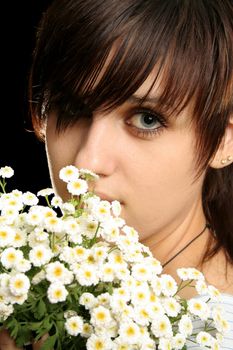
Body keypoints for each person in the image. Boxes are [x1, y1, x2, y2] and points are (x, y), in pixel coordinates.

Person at [1, 0, 233, 349]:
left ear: (223, 140)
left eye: (146, 119)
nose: (86, 162)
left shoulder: (215, 335)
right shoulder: (22, 288)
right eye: (72, 108)